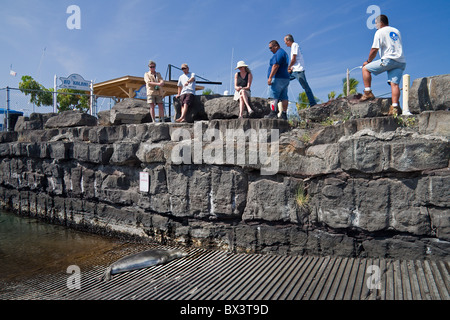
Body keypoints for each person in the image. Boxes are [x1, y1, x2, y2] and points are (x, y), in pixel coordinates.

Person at [361, 14, 406, 116]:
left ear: (380, 23)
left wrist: (368, 61)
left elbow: (374, 50)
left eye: (376, 23)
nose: (376, 25)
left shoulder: (379, 32)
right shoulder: (396, 31)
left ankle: (367, 92)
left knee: (365, 69)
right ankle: (395, 107)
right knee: (394, 84)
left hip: (389, 60)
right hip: (400, 61)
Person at [284, 34, 317, 107]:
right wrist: (291, 68)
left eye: (285, 41)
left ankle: (313, 103)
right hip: (294, 70)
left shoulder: (294, 45)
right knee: (283, 79)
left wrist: (289, 67)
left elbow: (294, 58)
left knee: (305, 87)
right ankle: (280, 99)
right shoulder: (293, 46)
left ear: (288, 40)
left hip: (298, 71)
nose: (285, 43)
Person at [265, 40, 290, 120]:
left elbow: (275, 65)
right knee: (284, 97)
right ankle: (284, 114)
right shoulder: (284, 53)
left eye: (271, 48)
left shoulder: (279, 53)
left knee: (273, 96)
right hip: (285, 78)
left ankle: (273, 113)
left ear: (276, 46)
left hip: (277, 78)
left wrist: (270, 77)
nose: (270, 50)